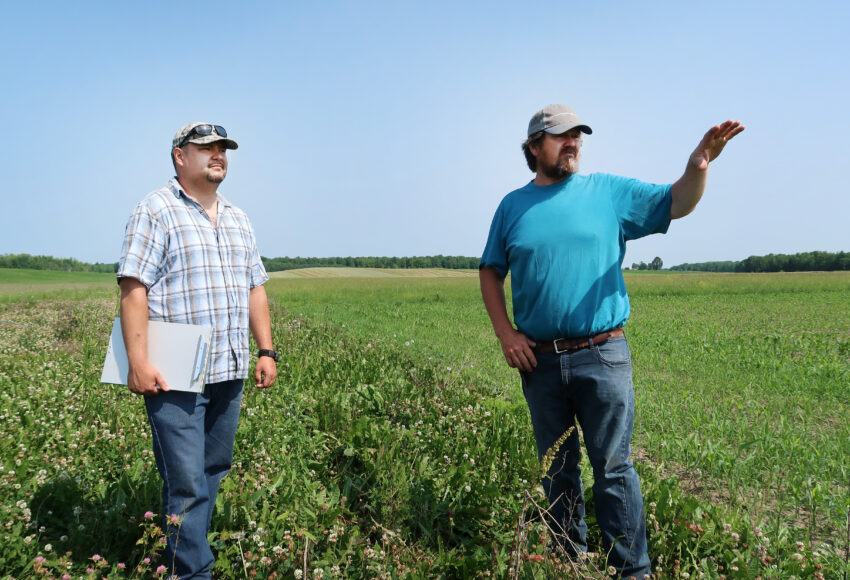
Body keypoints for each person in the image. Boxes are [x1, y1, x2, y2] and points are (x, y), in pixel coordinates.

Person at [479, 104, 743, 578]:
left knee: (614, 470)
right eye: (562, 136)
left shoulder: (607, 193)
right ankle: (568, 564)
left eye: (578, 135)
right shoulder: (512, 206)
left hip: (602, 354)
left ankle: (631, 572)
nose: (573, 142)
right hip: (538, 363)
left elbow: (676, 202)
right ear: (535, 146)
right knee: (557, 472)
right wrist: (505, 333)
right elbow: (489, 270)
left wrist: (697, 167)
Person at [117, 123, 278, 579]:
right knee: (186, 484)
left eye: (223, 148)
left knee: (212, 469)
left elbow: (256, 288)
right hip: (173, 373)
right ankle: (193, 572)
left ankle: (183, 559)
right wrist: (138, 362)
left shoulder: (238, 218)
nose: (217, 154)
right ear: (179, 157)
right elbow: (134, 287)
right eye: (205, 147)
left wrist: (266, 350)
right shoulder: (155, 210)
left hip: (230, 366)